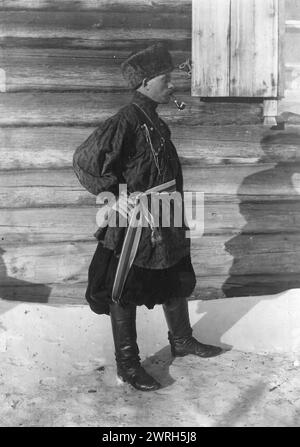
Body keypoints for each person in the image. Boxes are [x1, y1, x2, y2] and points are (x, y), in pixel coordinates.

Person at [73, 43, 222, 392]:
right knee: (125, 289)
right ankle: (127, 364)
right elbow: (84, 160)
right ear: (144, 84)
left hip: (165, 217)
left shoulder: (153, 119)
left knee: (172, 273)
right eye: (165, 79)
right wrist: (118, 196)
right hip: (138, 223)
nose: (172, 85)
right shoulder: (126, 120)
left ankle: (181, 340)